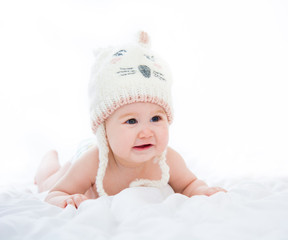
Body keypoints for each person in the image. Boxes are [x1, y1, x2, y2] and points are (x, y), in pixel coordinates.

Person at [34, 31, 226, 208]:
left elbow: (189, 184)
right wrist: (66, 198)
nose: (146, 132)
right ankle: (48, 160)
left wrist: (201, 191)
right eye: (132, 121)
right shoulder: (92, 162)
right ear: (105, 129)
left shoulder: (167, 160)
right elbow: (56, 193)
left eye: (156, 118)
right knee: (48, 182)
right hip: (84, 153)